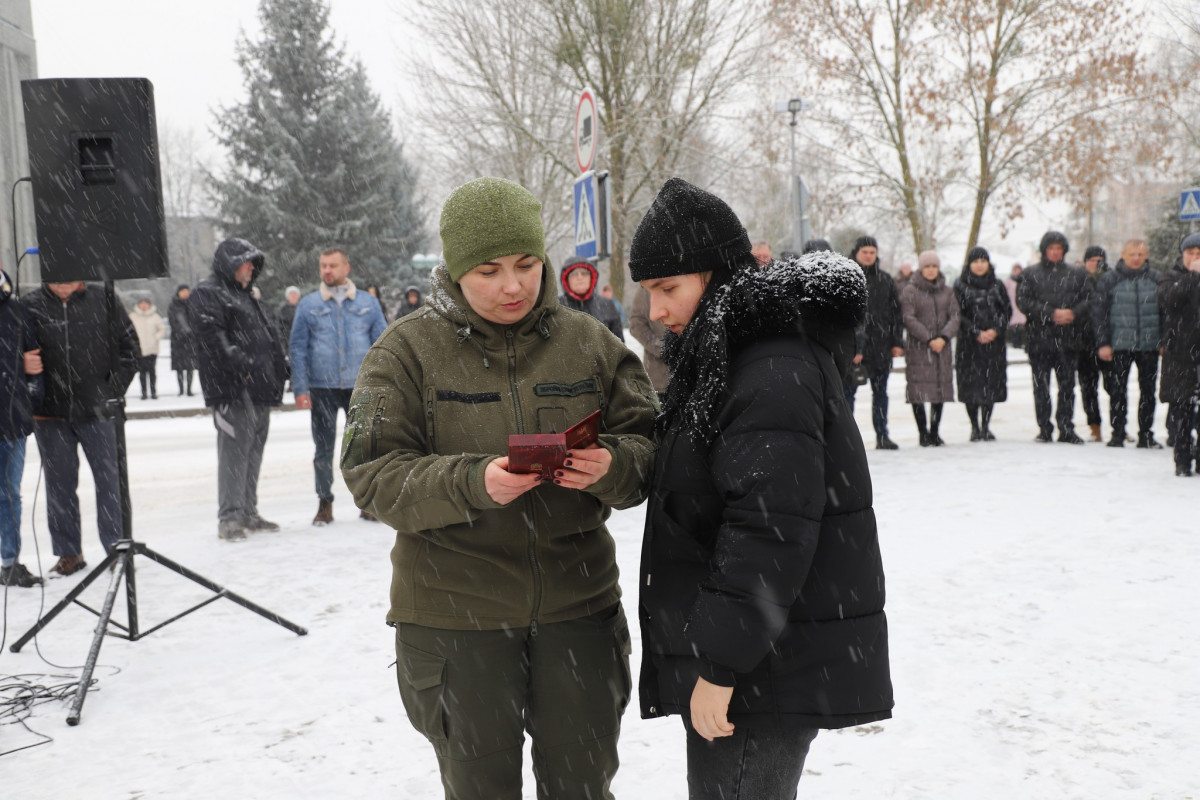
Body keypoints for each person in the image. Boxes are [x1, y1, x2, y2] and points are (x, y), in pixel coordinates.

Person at [340, 177, 658, 800]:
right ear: (455, 271)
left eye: (526, 264)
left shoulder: (591, 344)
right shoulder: (403, 353)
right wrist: (472, 481)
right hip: (456, 622)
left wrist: (612, 466)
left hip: (578, 610)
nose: (512, 286)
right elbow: (370, 475)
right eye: (489, 270)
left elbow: (651, 450)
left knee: (582, 788)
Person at [629, 178, 892, 799]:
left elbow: (769, 529)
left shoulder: (769, 363)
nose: (657, 310)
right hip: (757, 651)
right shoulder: (728, 348)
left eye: (667, 288)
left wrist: (721, 665)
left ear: (716, 275)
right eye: (647, 292)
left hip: (759, 666)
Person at [23, 281, 138, 575]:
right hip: (49, 414)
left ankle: (117, 550)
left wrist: (111, 390)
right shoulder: (31, 304)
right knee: (59, 485)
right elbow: (14, 347)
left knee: (110, 483)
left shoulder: (104, 298)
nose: (64, 281)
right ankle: (69, 553)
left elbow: (130, 347)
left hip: (98, 412)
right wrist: (23, 365)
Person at [190, 238, 289, 542]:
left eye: (252, 264)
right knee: (234, 455)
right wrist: (242, 366)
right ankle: (230, 517)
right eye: (245, 263)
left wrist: (278, 367)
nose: (250, 269)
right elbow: (212, 340)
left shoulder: (247, 297)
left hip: (259, 388)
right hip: (232, 389)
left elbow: (268, 337)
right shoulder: (209, 293)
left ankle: (248, 511)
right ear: (230, 263)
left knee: (252, 452)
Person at [289, 248, 387, 525]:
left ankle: (367, 502)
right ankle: (324, 503)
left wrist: (383, 383)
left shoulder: (368, 303)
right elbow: (297, 348)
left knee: (363, 447)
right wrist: (300, 388)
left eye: (332, 265)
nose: (327, 271)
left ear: (347, 268)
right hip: (322, 387)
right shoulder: (309, 305)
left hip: (360, 387)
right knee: (322, 449)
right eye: (323, 266)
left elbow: (382, 344)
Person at [1017, 231, 1090, 443]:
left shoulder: (1077, 274)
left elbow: (1089, 298)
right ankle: (1044, 428)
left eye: (1059, 249)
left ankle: (1066, 427)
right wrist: (1050, 313)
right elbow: (1024, 301)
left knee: (1067, 386)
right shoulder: (1030, 274)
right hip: (1039, 339)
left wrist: (1073, 313)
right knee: (1041, 387)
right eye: (1051, 249)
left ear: (1064, 251)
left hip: (1068, 340)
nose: (1055, 252)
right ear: (1044, 251)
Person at [1092, 239, 1162, 449]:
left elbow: (1166, 313)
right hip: (1119, 345)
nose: (1136, 258)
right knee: (1117, 391)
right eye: (1132, 254)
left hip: (1149, 345)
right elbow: (1099, 313)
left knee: (1148, 392)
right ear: (1123, 254)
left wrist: (1164, 341)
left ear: (1146, 255)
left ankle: (1146, 434)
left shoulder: (1156, 279)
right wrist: (1103, 343)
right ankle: (1118, 433)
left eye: (1140, 254)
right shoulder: (1109, 280)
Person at [0, 265, 44, 588]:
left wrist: (32, 398)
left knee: (9, 495)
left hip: (11, 420)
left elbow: (34, 360)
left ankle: (10, 561)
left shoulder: (17, 310)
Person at [845, 235, 905, 449]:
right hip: (854, 351)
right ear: (856, 253)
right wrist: (851, 346)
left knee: (881, 394)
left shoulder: (886, 280)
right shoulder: (847, 276)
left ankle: (882, 435)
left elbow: (896, 314)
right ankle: (847, 440)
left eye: (872, 252)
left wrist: (898, 341)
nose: (869, 256)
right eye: (865, 252)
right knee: (848, 397)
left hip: (881, 347)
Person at [901, 251, 961, 446]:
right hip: (919, 348)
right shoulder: (911, 291)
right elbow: (908, 318)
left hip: (941, 348)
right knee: (918, 390)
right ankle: (922, 432)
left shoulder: (947, 291)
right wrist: (928, 339)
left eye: (934, 266)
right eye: (927, 266)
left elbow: (955, 316)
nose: (931, 270)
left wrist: (943, 337)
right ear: (921, 268)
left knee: (939, 388)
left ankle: (935, 431)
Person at [954, 247, 1010, 441]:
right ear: (969, 264)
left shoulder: (997, 285)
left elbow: (1006, 311)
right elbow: (957, 314)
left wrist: (995, 329)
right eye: (975, 261)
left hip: (994, 344)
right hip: (969, 345)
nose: (979, 265)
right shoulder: (960, 285)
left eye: (983, 261)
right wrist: (975, 332)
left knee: (990, 384)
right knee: (971, 385)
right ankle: (974, 426)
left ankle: (986, 425)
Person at [1159, 233, 1200, 476]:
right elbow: (1169, 301)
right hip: (1180, 353)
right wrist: (1193, 277)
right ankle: (1182, 460)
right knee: (1182, 410)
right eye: (1191, 253)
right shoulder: (1171, 278)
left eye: (1199, 254)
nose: (1195, 258)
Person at [1077, 246, 1111, 441]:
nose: (1096, 264)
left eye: (1100, 260)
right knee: (1088, 387)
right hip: (1085, 342)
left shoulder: (1109, 279)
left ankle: (1119, 425)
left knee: (1114, 386)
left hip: (1107, 339)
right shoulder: (1077, 280)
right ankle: (1094, 426)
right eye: (1092, 260)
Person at [559, 259, 625, 340]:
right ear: (566, 280)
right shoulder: (556, 306)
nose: (579, 277)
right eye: (574, 274)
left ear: (591, 277)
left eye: (584, 273)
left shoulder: (607, 305)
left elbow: (619, 344)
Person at [630, 285, 669, 396]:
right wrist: (661, 348)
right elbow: (636, 325)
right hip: (659, 379)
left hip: (696, 379)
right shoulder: (647, 286)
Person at [129, 297, 166, 400]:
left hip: (152, 349)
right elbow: (128, 329)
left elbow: (162, 329)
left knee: (152, 372)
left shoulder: (155, 317)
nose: (144, 306)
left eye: (146, 304)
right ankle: (144, 393)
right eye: (142, 304)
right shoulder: (133, 317)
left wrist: (155, 338)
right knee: (142, 373)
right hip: (138, 349)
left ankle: (153, 392)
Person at [168, 285, 198, 396]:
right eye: (183, 291)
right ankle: (181, 389)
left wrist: (191, 331)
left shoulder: (193, 304)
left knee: (190, 367)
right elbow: (172, 320)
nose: (185, 293)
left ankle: (189, 390)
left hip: (191, 340)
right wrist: (181, 332)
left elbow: (196, 319)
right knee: (179, 367)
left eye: (187, 291)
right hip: (178, 341)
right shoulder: (173, 305)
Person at [1005, 263, 1027, 350]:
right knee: (1014, 325)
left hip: (1021, 305)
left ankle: (1021, 342)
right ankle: (1015, 342)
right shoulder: (1009, 281)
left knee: (1022, 325)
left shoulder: (1024, 280)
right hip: (1012, 304)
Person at [277, 285, 301, 353]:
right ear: (287, 297)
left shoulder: (303, 307)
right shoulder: (283, 310)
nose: (293, 296)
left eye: (295, 295)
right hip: (289, 342)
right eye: (291, 295)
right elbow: (280, 328)